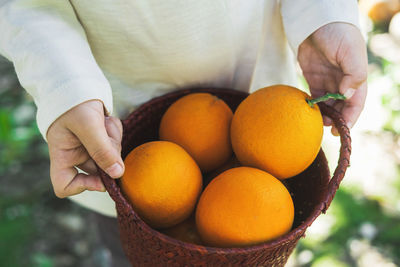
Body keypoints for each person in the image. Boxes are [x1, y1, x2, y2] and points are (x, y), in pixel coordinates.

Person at [0, 0, 367, 266]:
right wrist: (67, 88)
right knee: (131, 250)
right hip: (114, 135)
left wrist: (323, 13)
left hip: (264, 97)